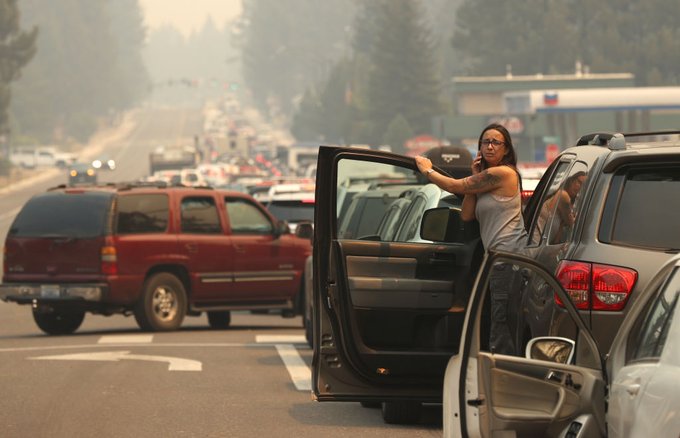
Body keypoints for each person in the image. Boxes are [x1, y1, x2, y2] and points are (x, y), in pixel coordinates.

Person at [415, 123, 528, 355]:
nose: (489, 146)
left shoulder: (503, 174)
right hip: (496, 260)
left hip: (508, 258)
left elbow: (455, 185)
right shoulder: (485, 180)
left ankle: (502, 375)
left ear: (506, 149)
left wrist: (427, 170)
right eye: (485, 142)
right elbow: (467, 215)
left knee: (501, 322)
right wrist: (475, 177)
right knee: (499, 318)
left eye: (496, 142)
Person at [534, 171, 587, 245]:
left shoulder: (571, 203)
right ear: (571, 181)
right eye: (578, 182)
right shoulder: (563, 195)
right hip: (536, 244)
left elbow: (557, 239)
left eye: (583, 185)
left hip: (543, 245)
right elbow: (572, 224)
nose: (579, 186)